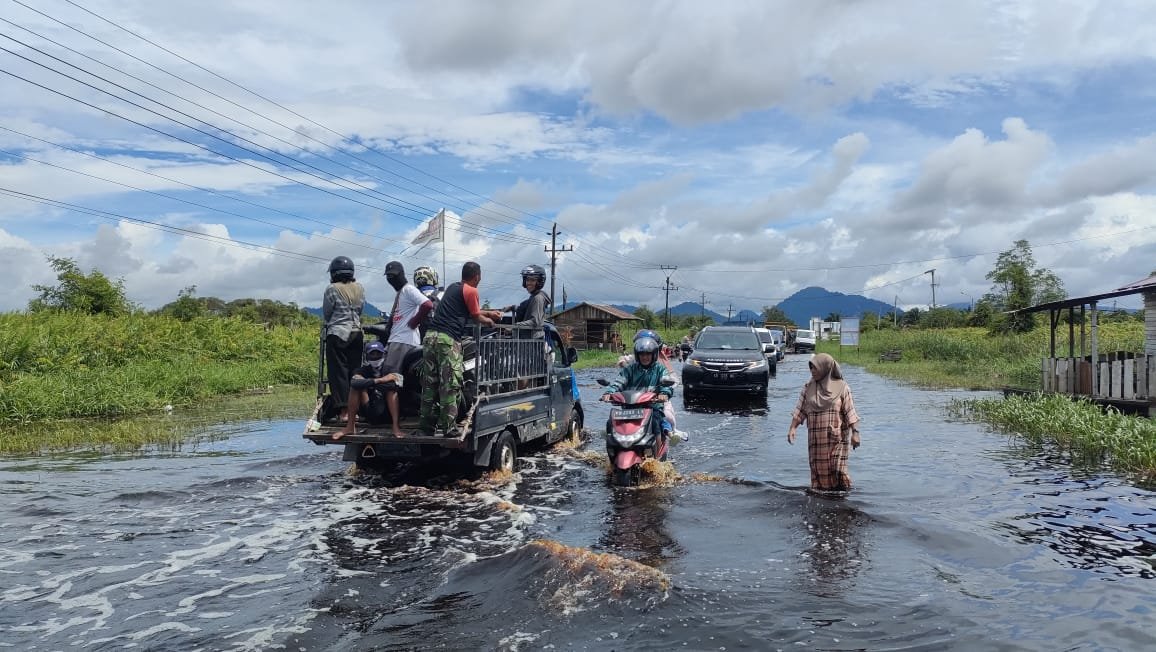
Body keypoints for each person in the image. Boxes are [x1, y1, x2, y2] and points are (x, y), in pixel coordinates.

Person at [413, 261, 503, 437]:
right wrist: (491, 322)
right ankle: (448, 427)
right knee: (450, 384)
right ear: (477, 276)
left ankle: (425, 427)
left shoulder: (453, 288)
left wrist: (490, 312)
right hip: (447, 340)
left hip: (430, 338)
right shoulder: (472, 291)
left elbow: (470, 311)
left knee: (429, 383)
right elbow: (476, 316)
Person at [787, 353, 862, 492]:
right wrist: (792, 428)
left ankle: (846, 505)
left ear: (825, 368)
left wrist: (855, 433)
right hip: (816, 442)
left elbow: (850, 412)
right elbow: (800, 410)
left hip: (837, 439)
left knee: (838, 470)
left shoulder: (842, 388)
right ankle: (822, 505)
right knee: (819, 476)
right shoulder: (808, 388)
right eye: (811, 368)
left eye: (815, 368)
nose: (812, 371)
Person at [379, 261, 434, 437]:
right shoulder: (401, 293)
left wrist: (414, 322)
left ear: (402, 274)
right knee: (395, 382)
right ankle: (397, 420)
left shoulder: (409, 289)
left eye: (393, 276)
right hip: (397, 340)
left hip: (403, 341)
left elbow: (427, 305)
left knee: (390, 381)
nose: (391, 279)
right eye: (388, 277)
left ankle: (395, 427)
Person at [600, 335, 673, 436]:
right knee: (610, 423)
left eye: (648, 354)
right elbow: (619, 382)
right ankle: (612, 449)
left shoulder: (660, 370)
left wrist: (664, 393)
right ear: (637, 355)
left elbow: (666, 383)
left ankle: (656, 449)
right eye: (642, 354)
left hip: (652, 408)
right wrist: (609, 393)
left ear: (654, 355)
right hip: (629, 409)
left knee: (656, 422)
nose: (645, 357)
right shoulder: (630, 369)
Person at [322, 255, 364, 424]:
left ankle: (345, 412)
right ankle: (357, 411)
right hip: (356, 333)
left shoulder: (331, 289)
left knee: (338, 372)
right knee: (355, 371)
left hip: (338, 333)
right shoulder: (359, 288)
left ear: (333, 273)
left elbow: (327, 312)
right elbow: (360, 309)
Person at [334, 341, 397, 439]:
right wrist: (380, 380)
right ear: (367, 356)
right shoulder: (362, 370)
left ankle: (395, 427)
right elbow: (354, 383)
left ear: (383, 354)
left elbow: (394, 385)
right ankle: (350, 427)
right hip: (368, 411)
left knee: (391, 391)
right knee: (355, 388)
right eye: (372, 354)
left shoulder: (390, 369)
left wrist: (367, 383)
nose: (375, 356)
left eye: (378, 353)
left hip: (386, 413)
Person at [502, 264, 550, 336]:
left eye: (533, 280)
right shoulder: (533, 297)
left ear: (539, 282)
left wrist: (514, 326)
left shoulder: (538, 298)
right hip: (527, 340)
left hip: (532, 341)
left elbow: (534, 321)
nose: (529, 283)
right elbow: (526, 308)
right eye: (527, 280)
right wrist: (512, 307)